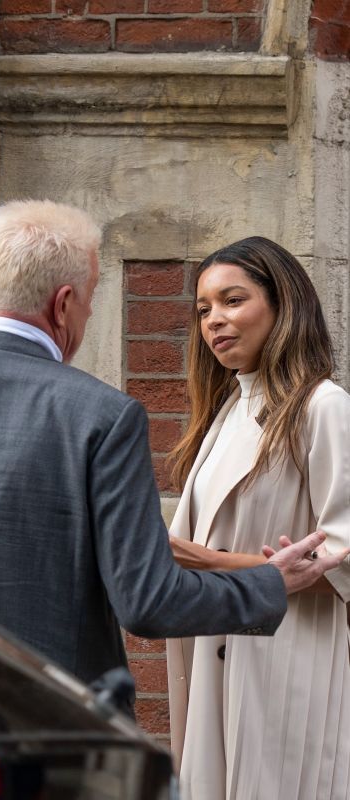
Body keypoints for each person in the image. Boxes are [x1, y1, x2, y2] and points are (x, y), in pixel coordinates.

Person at [0, 202, 345, 704]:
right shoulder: (100, 414)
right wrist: (268, 584)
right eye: (90, 299)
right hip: (54, 721)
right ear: (63, 304)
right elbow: (149, 604)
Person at [167, 236, 350, 800]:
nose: (214, 320)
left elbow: (343, 555)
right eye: (203, 309)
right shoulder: (226, 413)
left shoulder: (323, 406)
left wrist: (214, 563)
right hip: (217, 655)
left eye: (232, 300)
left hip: (290, 663)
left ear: (281, 304)